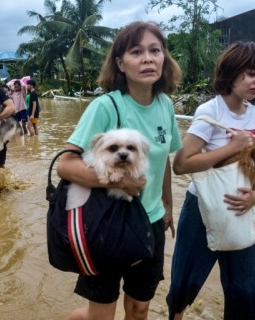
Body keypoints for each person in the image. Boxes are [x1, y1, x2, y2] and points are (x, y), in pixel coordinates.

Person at [57, 21, 182, 320]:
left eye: (155, 50)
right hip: (107, 223)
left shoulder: (165, 104)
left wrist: (167, 205)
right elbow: (65, 164)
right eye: (136, 52)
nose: (148, 58)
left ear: (164, 58)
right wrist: (118, 182)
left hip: (150, 222)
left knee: (139, 309)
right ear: (120, 63)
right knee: (101, 314)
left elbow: (162, 158)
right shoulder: (105, 107)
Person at [166, 41, 255, 320]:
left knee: (251, 290)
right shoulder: (210, 111)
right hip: (203, 208)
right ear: (232, 72)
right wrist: (232, 146)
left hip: (244, 208)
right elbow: (181, 163)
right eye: (251, 73)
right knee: (185, 282)